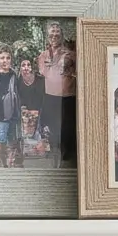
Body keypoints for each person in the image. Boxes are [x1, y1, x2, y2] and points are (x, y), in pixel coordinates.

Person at [39, 20, 77, 165]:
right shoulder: (43, 56)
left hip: (68, 97)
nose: (54, 35)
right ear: (48, 36)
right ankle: (57, 156)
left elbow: (77, 73)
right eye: (51, 32)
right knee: (53, 128)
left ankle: (68, 159)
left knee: (68, 128)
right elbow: (46, 73)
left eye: (57, 32)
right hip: (51, 98)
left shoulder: (72, 55)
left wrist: (68, 69)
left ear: (61, 35)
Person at [15, 52, 46, 158]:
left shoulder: (40, 80)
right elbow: (17, 99)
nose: (26, 68)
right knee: (26, 143)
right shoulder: (17, 82)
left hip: (40, 114)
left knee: (40, 140)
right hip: (25, 116)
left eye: (28, 65)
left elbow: (45, 98)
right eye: (23, 65)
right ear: (19, 67)